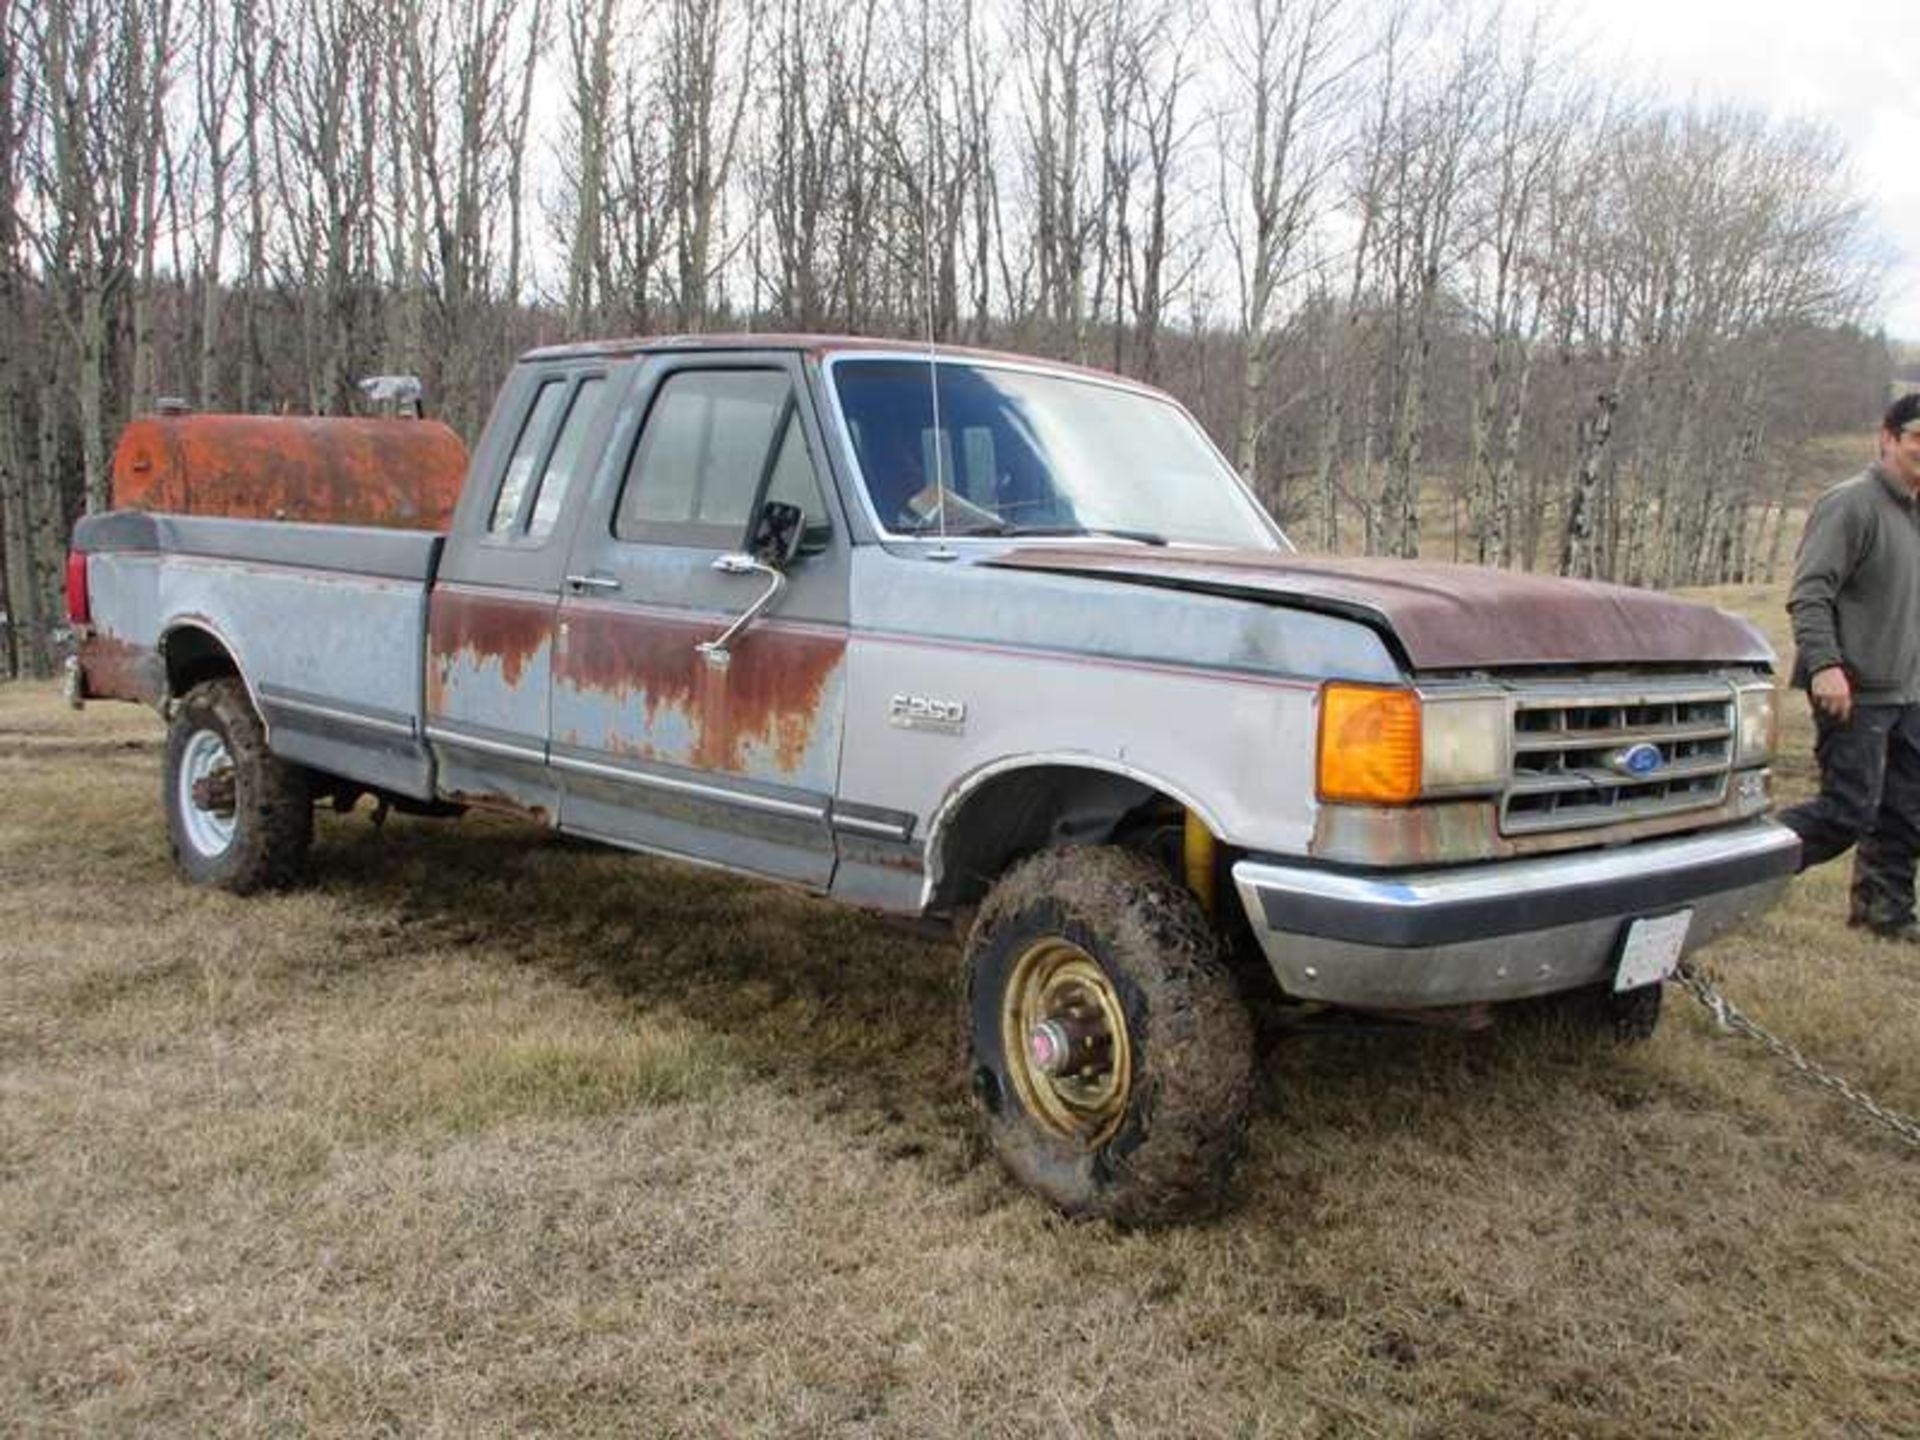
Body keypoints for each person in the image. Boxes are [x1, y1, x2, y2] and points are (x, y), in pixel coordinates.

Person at [1777, 391, 1920, 939]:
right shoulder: (1851, 503)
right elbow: (1810, 593)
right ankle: (1730, 873)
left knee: (1905, 815)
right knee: (1845, 813)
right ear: (1887, 438)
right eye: (1916, 440)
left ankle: (1884, 917)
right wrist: (1825, 665)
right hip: (1852, 689)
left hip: (1908, 692)